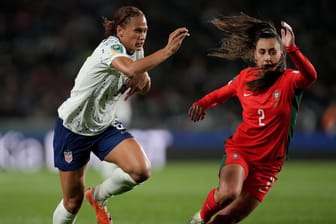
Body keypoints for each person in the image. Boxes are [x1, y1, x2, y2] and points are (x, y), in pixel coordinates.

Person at [52, 6, 189, 224]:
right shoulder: (109, 48)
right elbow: (130, 69)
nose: (142, 36)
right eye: (137, 30)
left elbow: (143, 85)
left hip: (104, 125)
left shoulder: (137, 51)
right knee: (71, 202)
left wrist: (143, 80)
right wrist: (167, 51)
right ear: (120, 31)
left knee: (141, 170)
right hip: (74, 127)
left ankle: (98, 196)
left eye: (144, 30)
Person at [187, 13, 317, 224]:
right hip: (242, 151)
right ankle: (199, 219)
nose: (267, 58)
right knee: (229, 193)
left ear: (281, 55)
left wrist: (293, 48)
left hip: (268, 167)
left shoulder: (290, 80)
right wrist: (202, 104)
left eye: (273, 52)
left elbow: (311, 76)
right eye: (262, 52)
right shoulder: (245, 77)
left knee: (228, 219)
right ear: (255, 56)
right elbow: (221, 93)